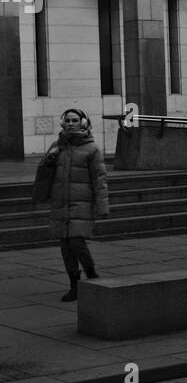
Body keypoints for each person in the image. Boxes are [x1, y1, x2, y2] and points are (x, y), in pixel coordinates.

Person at [46, 109, 109, 302]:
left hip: (81, 203)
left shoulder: (92, 149)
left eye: (75, 120)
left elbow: (100, 179)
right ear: (63, 123)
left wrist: (102, 206)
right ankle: (74, 284)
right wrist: (49, 158)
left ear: (83, 123)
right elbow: (44, 174)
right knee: (65, 246)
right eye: (68, 120)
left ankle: (91, 273)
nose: (71, 123)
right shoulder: (57, 146)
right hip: (61, 203)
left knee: (76, 242)